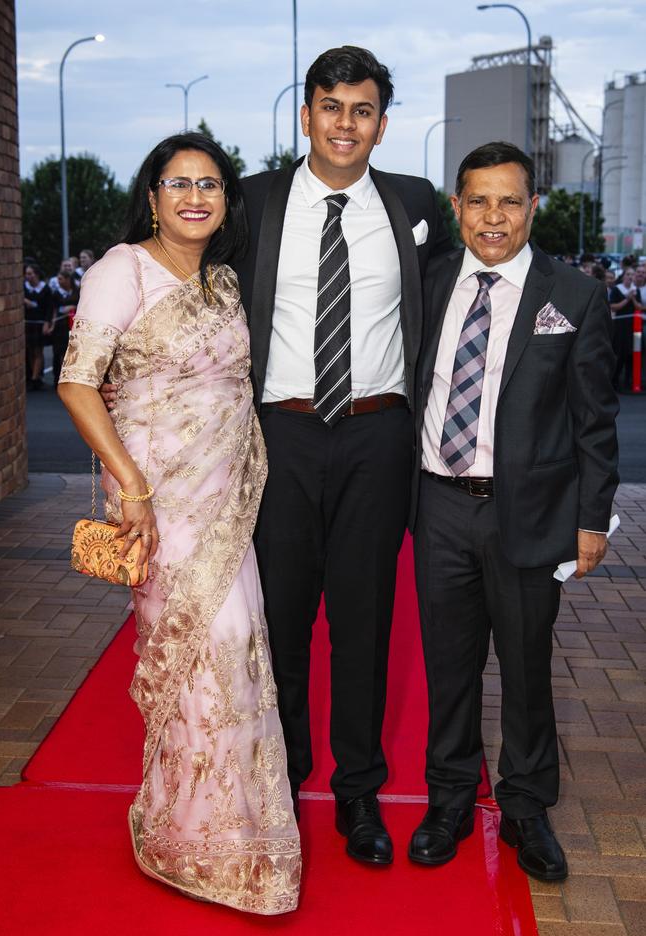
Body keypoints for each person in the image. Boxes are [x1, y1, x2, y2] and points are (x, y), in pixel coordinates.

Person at [58, 132, 300, 914]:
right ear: (153, 196)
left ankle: (234, 838)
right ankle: (184, 837)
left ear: (225, 201)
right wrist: (130, 485)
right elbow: (76, 383)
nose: (195, 196)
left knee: (236, 657)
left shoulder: (226, 284)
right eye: (178, 183)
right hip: (162, 512)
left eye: (210, 184)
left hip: (229, 508)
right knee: (201, 659)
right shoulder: (120, 270)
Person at [235, 45, 453, 865]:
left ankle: (359, 795)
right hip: (280, 433)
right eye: (332, 106)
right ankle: (283, 785)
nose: (346, 124)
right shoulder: (253, 204)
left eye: (362, 110)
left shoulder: (412, 203)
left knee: (365, 622)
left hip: (376, 434)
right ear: (306, 115)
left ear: (382, 124)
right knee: (281, 623)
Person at [409, 142, 618, 881]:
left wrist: (593, 520)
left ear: (534, 207)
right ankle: (451, 797)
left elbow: (595, 421)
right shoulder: (429, 284)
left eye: (508, 201)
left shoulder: (576, 296)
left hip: (528, 513)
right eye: (477, 200)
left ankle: (526, 806)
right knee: (449, 665)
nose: (492, 216)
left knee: (527, 668)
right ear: (457, 206)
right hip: (437, 503)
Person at [24, 262, 53, 390]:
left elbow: (49, 308)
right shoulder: (24, 288)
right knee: (30, 350)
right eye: (26, 274)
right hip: (28, 322)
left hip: (39, 323)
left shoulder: (45, 289)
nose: (27, 276)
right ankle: (33, 375)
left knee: (38, 351)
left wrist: (47, 323)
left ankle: (35, 378)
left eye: (30, 273)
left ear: (36, 274)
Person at [50, 268, 80, 387]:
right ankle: (59, 376)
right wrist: (51, 324)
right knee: (60, 352)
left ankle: (71, 376)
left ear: (68, 280)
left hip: (73, 326)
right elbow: (53, 310)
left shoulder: (77, 292)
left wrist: (73, 307)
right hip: (60, 327)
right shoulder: (56, 293)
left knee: (72, 351)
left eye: (61, 279)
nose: (59, 282)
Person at [609, 266, 637, 389]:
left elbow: (639, 306)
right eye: (628, 274)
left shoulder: (635, 290)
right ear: (624, 276)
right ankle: (615, 380)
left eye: (632, 275)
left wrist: (633, 298)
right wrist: (627, 299)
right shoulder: (616, 289)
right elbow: (613, 307)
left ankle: (628, 380)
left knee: (631, 354)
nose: (630, 277)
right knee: (619, 353)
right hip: (620, 325)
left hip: (633, 326)